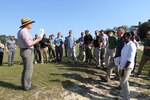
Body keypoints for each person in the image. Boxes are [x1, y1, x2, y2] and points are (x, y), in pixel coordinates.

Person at [17, 17, 42, 91]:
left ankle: (25, 85)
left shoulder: (21, 31)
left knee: (26, 69)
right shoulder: (24, 31)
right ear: (26, 24)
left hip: (25, 50)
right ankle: (27, 86)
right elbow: (29, 44)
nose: (31, 24)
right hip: (27, 51)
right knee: (29, 69)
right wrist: (38, 39)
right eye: (30, 23)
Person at [119, 32, 136, 100]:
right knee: (124, 82)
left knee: (123, 82)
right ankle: (126, 97)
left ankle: (126, 98)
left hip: (127, 67)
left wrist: (124, 69)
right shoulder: (126, 44)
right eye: (123, 37)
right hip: (122, 66)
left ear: (129, 37)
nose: (123, 39)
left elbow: (130, 59)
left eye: (124, 37)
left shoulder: (132, 45)